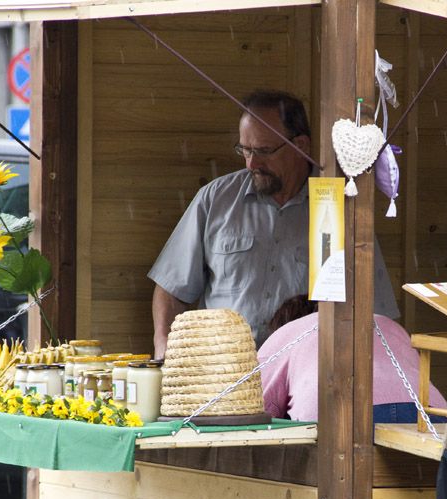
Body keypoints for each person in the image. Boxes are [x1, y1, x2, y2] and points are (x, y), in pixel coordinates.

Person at [148, 89, 399, 357]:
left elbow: (377, 311)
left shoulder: (336, 208)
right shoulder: (215, 199)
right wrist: (164, 347)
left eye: (264, 151)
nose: (251, 163)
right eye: (245, 150)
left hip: (305, 372)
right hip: (221, 370)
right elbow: (172, 289)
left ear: (300, 146)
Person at [258, 295, 447, 423]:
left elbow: (256, 409)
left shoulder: (285, 334)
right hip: (432, 415)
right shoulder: (389, 325)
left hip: (340, 419)